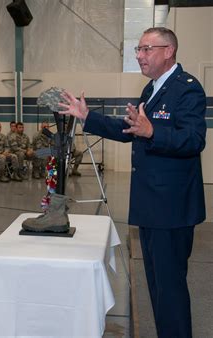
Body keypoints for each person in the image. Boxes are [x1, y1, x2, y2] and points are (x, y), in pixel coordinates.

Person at [59, 27, 206, 338]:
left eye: (146, 49)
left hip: (172, 210)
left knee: (170, 289)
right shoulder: (153, 89)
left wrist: (153, 132)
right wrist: (88, 117)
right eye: (138, 50)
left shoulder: (187, 89)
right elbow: (130, 130)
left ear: (169, 51)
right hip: (152, 207)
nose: (139, 55)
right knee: (157, 287)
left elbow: (193, 141)